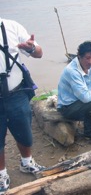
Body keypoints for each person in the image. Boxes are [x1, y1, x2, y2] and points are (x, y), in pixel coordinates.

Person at [0, 18, 44, 194]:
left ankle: (27, 163)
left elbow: (39, 53)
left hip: (17, 93)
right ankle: (1, 174)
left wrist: (31, 48)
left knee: (24, 131)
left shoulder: (12, 26)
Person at [57, 41, 91, 140]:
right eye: (87, 58)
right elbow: (85, 97)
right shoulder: (72, 71)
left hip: (79, 100)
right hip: (67, 108)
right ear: (79, 56)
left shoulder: (89, 67)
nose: (90, 62)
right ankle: (89, 131)